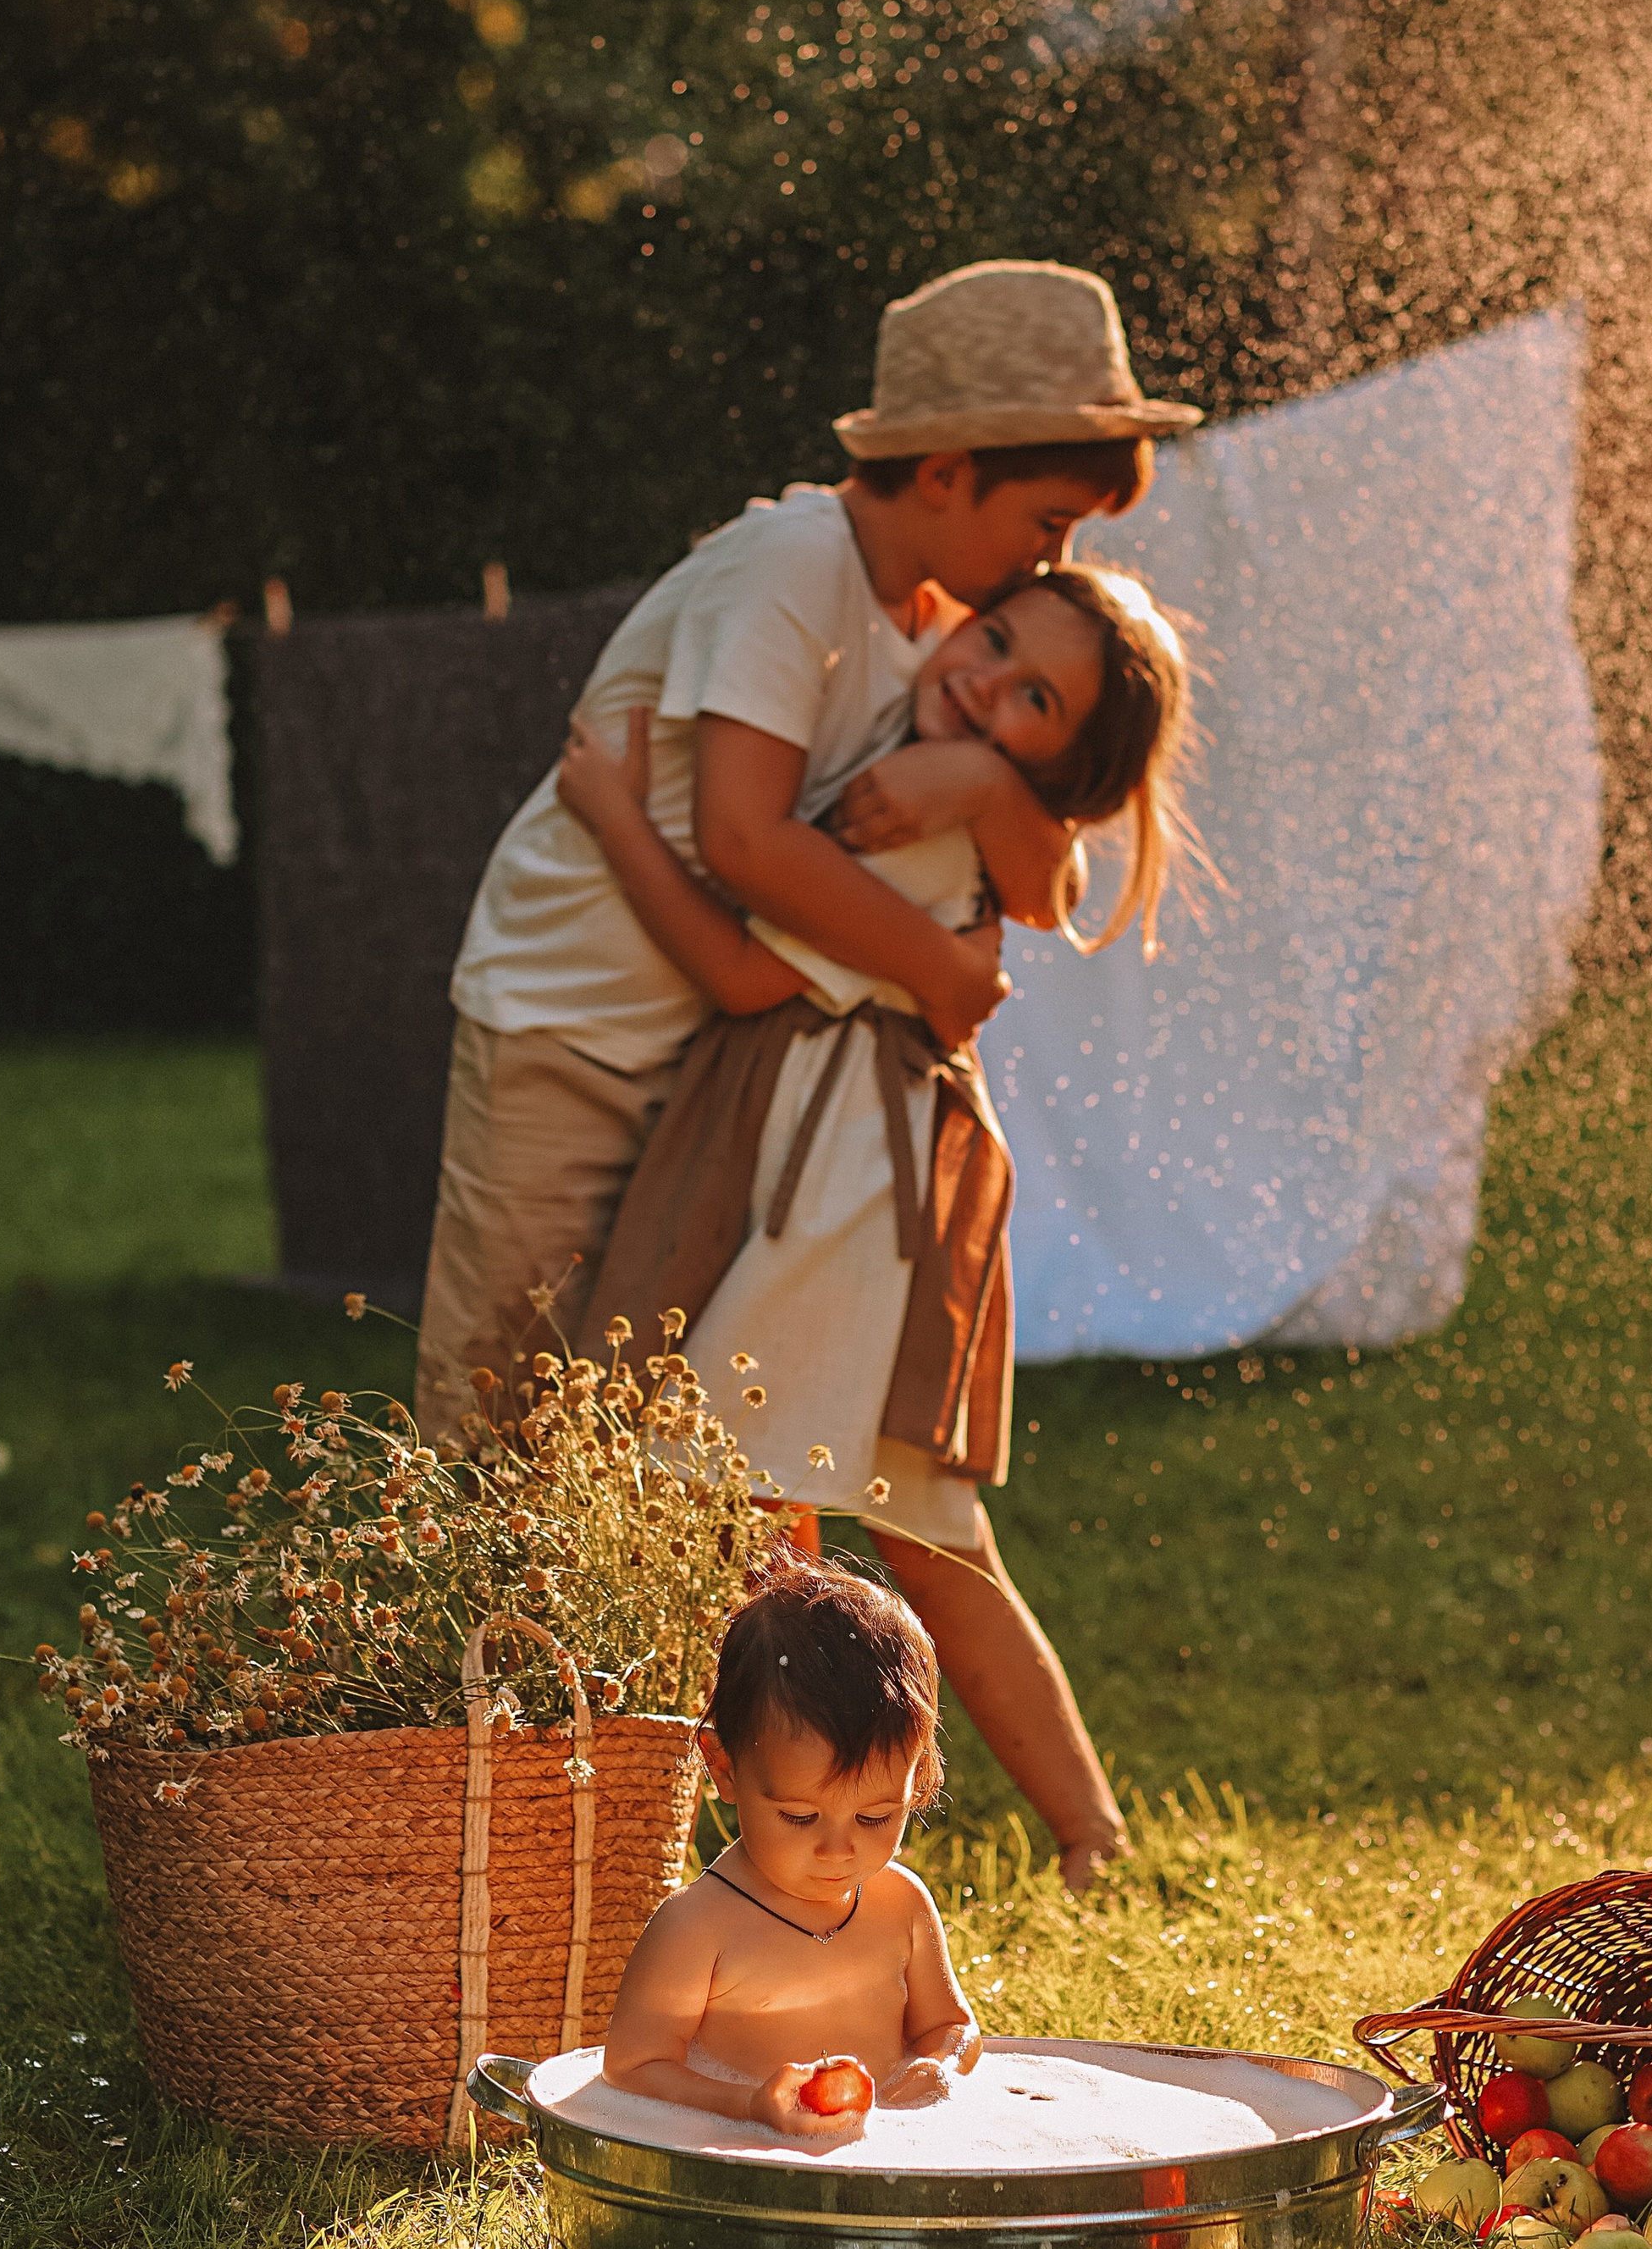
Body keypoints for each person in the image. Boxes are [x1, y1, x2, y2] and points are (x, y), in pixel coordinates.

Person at [413, 256, 1200, 1441]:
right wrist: (938, 973)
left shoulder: (948, 635)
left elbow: (1051, 883)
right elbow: (744, 837)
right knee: (499, 1400)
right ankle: (454, 1632)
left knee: (620, 1430)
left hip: (706, 1058)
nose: (1055, 563)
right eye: (1049, 523)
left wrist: (985, 780)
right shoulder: (796, 567)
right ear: (944, 474)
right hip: (568, 1025)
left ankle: (604, 1633)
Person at [561, 561, 1192, 1888]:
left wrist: (614, 814)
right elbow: (1041, 880)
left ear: (1060, 762)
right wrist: (979, 780)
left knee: (772, 1520)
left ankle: (786, 1832)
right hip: (840, 1178)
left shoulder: (905, 802)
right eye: (1000, 636)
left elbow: (740, 965)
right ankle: (1066, 1834)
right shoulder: (915, 764)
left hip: (841, 1203)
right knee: (894, 1533)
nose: (984, 679)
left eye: (1033, 700)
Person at [602, 1558, 979, 2138]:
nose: (838, 1849)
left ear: (919, 1775)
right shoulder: (699, 1926)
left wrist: (935, 2067)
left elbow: (952, 2025)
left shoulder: (900, 1904)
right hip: (739, 2156)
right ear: (723, 1766)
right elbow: (632, 2068)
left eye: (876, 1815)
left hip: (888, 2153)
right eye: (800, 1816)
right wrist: (750, 2105)